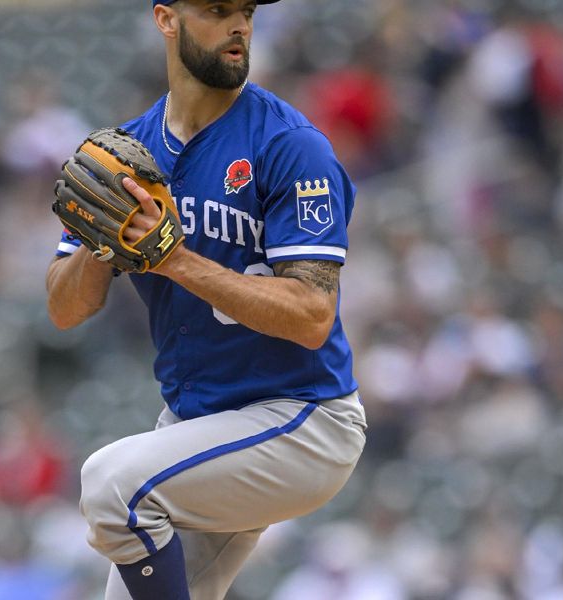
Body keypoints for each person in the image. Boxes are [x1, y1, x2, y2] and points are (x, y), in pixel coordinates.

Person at [45, 1, 367, 598]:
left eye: (244, 11)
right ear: (167, 20)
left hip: (300, 419)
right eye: (217, 10)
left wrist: (173, 260)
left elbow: (313, 315)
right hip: (205, 428)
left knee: (112, 487)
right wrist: (103, 238)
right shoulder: (127, 155)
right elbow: (66, 310)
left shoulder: (290, 145)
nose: (239, 25)